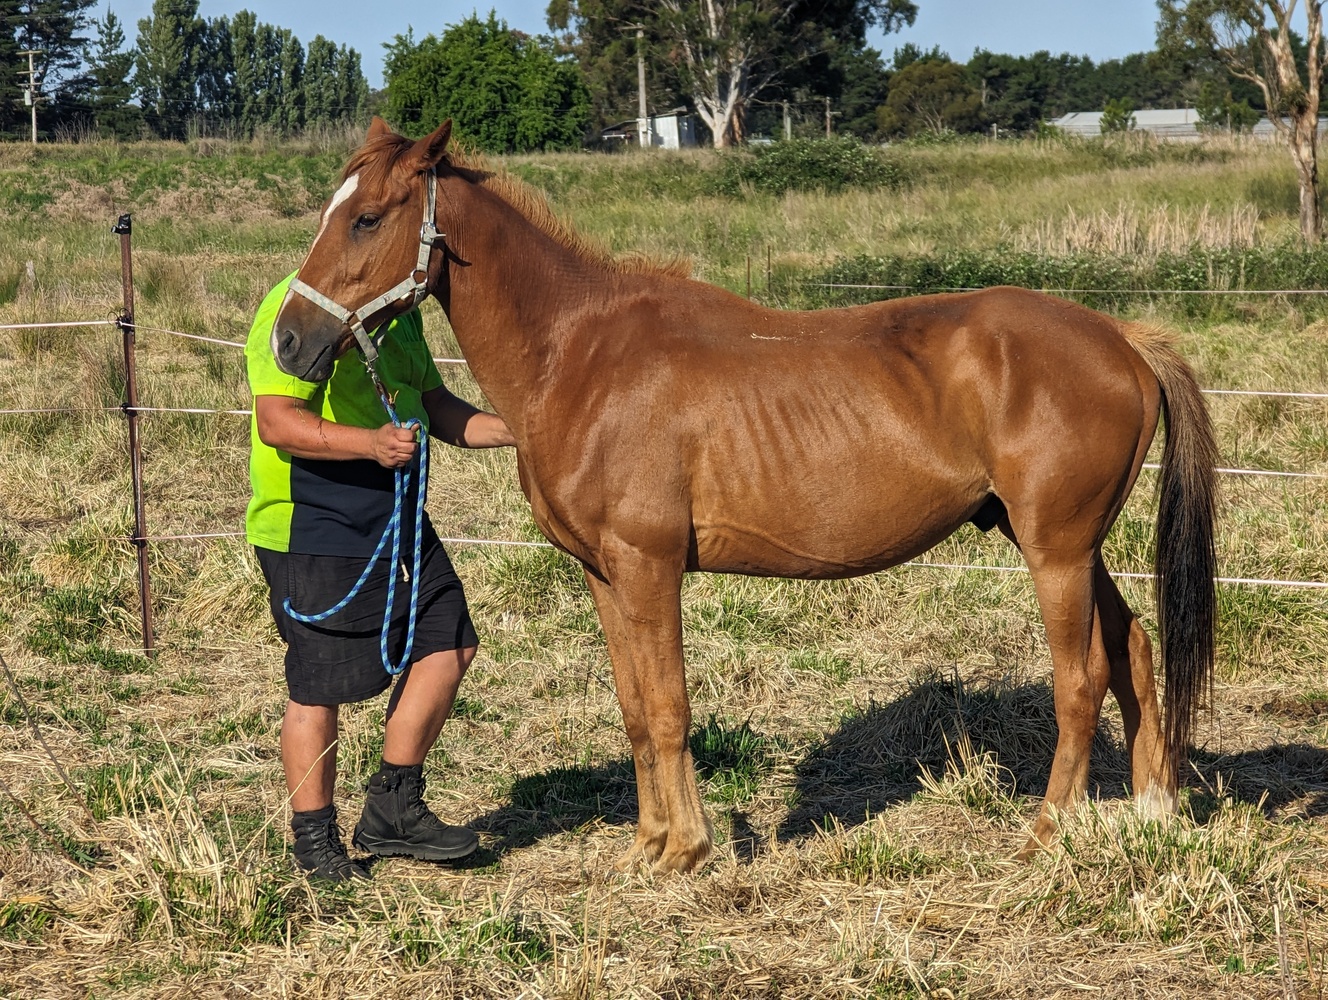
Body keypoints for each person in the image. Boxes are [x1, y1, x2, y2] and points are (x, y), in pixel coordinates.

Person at [244, 271, 515, 882]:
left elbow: (435, 404)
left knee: (449, 640)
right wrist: (371, 443)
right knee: (320, 685)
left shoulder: (398, 312)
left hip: (396, 511)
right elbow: (278, 422)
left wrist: (520, 431)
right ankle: (315, 844)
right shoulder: (295, 308)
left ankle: (393, 808)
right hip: (312, 519)